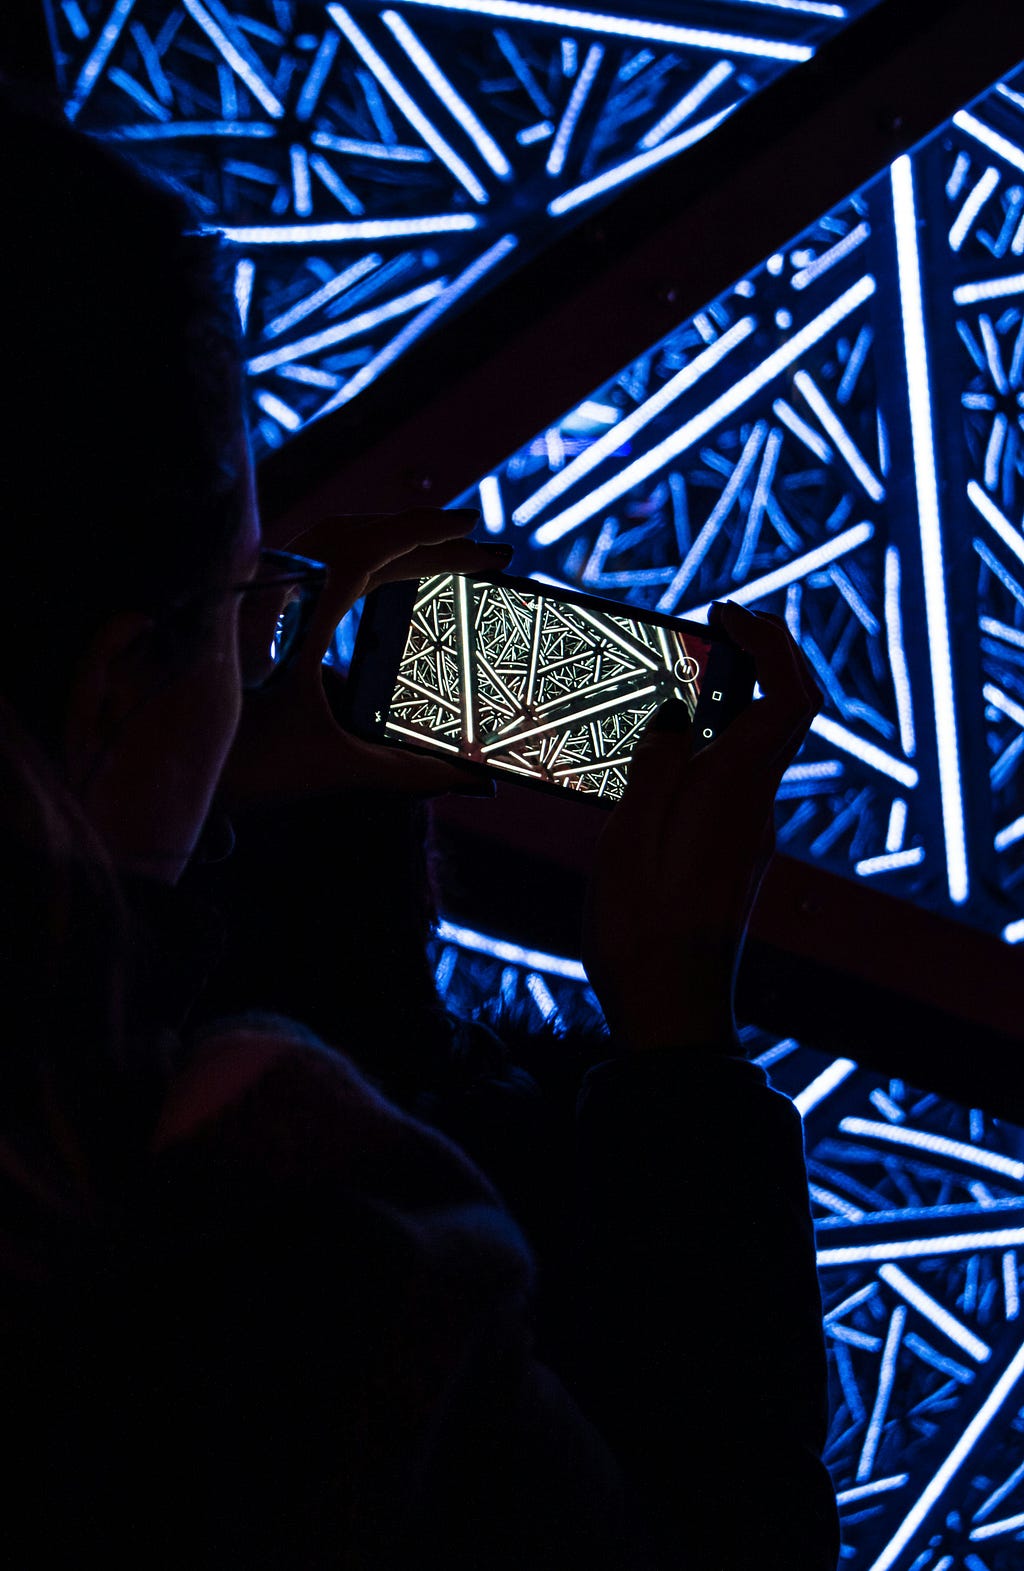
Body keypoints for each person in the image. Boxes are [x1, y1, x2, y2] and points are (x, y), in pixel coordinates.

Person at [0, 88, 839, 1568]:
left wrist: (262, 821)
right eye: (240, 607)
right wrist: (676, 1053)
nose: (260, 657)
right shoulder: (278, 1224)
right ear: (109, 678)